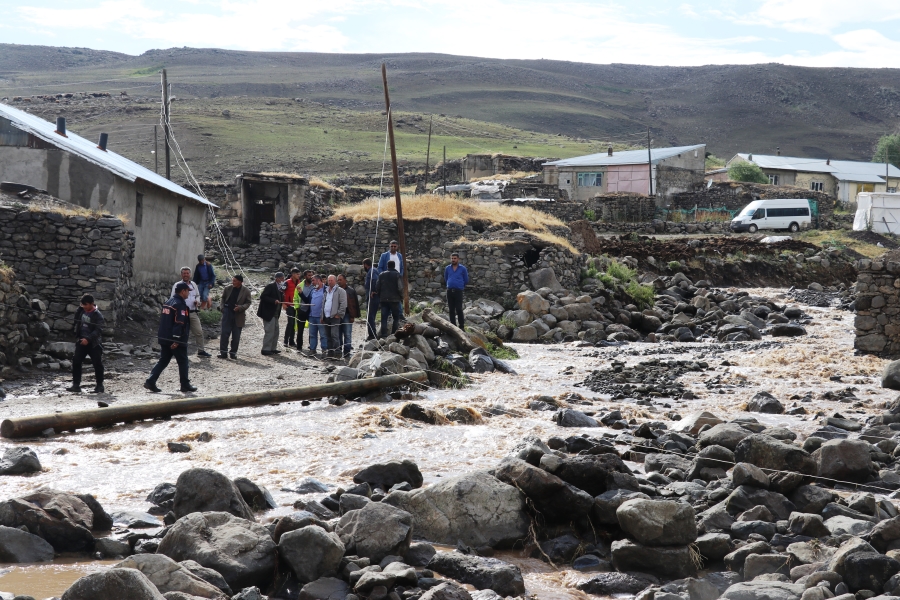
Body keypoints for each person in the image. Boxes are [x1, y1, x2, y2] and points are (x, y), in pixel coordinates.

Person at [144, 282, 196, 393]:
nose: (188, 294)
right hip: (175, 339)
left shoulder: (169, 302)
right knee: (183, 361)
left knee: (163, 360)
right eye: (188, 291)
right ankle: (185, 385)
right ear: (183, 291)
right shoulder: (180, 304)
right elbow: (179, 323)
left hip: (164, 337)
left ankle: (151, 381)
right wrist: (176, 339)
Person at [67, 294, 105, 394]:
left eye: (86, 305)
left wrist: (88, 339)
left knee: (97, 364)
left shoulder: (98, 315)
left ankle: (100, 386)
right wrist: (79, 309)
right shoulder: (82, 310)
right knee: (76, 361)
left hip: (94, 343)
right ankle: (76, 385)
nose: (84, 306)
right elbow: (76, 321)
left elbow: (98, 330)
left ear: (92, 304)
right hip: (81, 341)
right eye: (82, 304)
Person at [172, 267, 211, 357]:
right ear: (181, 274)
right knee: (182, 333)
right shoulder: (177, 285)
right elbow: (173, 298)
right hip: (181, 313)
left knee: (199, 331)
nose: (186, 275)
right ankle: (178, 352)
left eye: (187, 273)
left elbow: (197, 295)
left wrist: (197, 301)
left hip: (192, 312)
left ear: (190, 274)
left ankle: (201, 351)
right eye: (184, 273)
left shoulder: (193, 284)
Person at [219, 274, 252, 359]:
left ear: (240, 282)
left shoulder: (246, 291)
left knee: (236, 336)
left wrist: (240, 307)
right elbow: (223, 298)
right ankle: (223, 353)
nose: (232, 282)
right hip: (227, 313)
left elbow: (248, 303)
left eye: (235, 281)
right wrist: (222, 308)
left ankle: (233, 353)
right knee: (224, 335)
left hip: (239, 315)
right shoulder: (228, 289)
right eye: (232, 280)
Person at [258, 272, 285, 356]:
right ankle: (266, 349)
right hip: (268, 313)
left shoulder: (280, 288)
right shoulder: (270, 286)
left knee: (276, 331)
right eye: (281, 278)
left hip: (275, 314)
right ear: (277, 278)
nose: (283, 280)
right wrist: (274, 301)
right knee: (269, 331)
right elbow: (263, 297)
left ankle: (273, 348)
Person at [376, 260, 404, 338]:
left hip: (384, 299)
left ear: (387, 266)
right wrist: (401, 297)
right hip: (394, 299)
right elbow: (400, 288)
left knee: (384, 318)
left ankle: (384, 334)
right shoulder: (397, 275)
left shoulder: (381, 275)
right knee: (396, 317)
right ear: (394, 266)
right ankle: (393, 334)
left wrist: (380, 296)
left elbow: (377, 287)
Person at [323, 274, 347, 359]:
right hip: (326, 316)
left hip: (335, 317)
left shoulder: (341, 291)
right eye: (328, 280)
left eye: (331, 280)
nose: (330, 282)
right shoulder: (326, 290)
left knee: (334, 335)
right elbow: (324, 303)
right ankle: (330, 352)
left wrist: (339, 314)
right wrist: (322, 316)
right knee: (328, 335)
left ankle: (337, 352)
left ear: (335, 281)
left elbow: (343, 303)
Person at [444, 252, 470, 329]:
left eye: (455, 258)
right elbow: (446, 278)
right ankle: (453, 326)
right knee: (451, 309)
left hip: (458, 291)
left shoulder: (463, 269)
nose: (453, 260)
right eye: (452, 258)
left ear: (458, 259)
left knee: (459, 309)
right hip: (449, 291)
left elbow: (466, 280)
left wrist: (459, 285)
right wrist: (450, 284)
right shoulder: (447, 268)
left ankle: (461, 326)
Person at [338, 274, 359, 358]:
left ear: (345, 280)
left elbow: (355, 304)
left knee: (347, 333)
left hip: (347, 315)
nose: (339, 281)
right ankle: (338, 350)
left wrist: (352, 316)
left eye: (340, 279)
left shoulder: (351, 291)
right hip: (337, 315)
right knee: (338, 334)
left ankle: (347, 351)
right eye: (338, 280)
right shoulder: (336, 290)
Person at [306, 275, 327, 356]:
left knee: (323, 335)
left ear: (319, 280)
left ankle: (324, 350)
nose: (312, 283)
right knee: (312, 334)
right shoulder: (312, 290)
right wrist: (300, 293)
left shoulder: (326, 290)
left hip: (321, 317)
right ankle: (312, 349)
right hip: (312, 316)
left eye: (313, 281)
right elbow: (307, 300)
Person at [293, 270, 314, 349]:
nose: (311, 277)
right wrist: (297, 307)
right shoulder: (300, 285)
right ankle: (299, 346)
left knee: (312, 330)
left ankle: (311, 346)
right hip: (301, 310)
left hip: (311, 311)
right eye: (309, 275)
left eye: (312, 275)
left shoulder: (315, 285)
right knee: (300, 330)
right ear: (305, 276)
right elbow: (295, 298)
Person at [283, 268, 301, 347]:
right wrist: (283, 303)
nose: (298, 275)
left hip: (296, 305)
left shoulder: (299, 283)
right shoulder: (286, 283)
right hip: (289, 305)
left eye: (299, 274)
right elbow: (281, 292)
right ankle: (285, 341)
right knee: (290, 323)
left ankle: (291, 341)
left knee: (294, 323)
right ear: (293, 274)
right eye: (297, 274)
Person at [363, 259, 380, 341]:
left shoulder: (372, 271)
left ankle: (372, 335)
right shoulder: (372, 270)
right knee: (370, 316)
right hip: (371, 297)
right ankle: (372, 334)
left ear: (366, 265)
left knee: (370, 316)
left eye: (364, 265)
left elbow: (375, 280)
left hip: (373, 298)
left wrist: (374, 291)